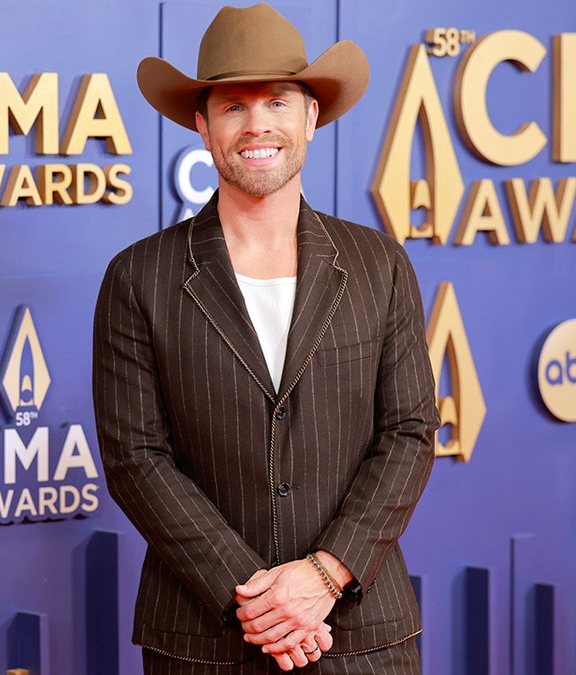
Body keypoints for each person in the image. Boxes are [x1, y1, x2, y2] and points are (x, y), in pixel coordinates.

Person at [92, 3, 439, 672]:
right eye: (232, 107)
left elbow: (410, 430)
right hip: (204, 637)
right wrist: (259, 599)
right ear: (201, 123)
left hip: (360, 631)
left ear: (311, 116)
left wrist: (323, 575)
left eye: (277, 102)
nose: (258, 126)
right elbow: (137, 459)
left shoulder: (379, 263)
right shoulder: (138, 277)